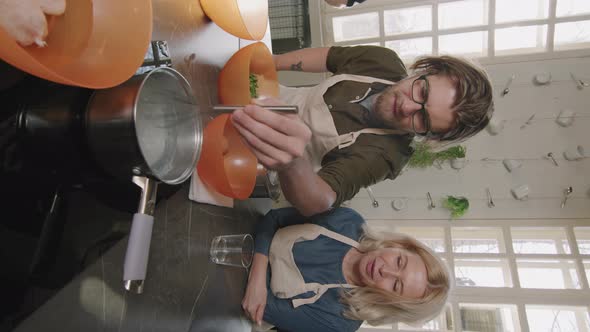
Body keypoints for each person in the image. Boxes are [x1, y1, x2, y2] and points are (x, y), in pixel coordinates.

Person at [231, 45, 494, 217]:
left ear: (430, 136)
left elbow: (318, 200)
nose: (406, 106)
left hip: (249, 163)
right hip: (260, 98)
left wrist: (292, 163)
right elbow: (329, 57)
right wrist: (272, 62)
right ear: (426, 70)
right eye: (421, 91)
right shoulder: (382, 62)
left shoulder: (386, 156)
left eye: (422, 119)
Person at [241, 207, 451, 331]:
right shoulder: (350, 221)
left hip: (226, 295)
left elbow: (258, 306)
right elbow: (275, 218)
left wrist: (255, 275)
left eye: (396, 285)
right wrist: (258, 274)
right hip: (236, 229)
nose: (385, 271)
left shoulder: (342, 320)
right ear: (399, 246)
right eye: (399, 261)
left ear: (390, 302)